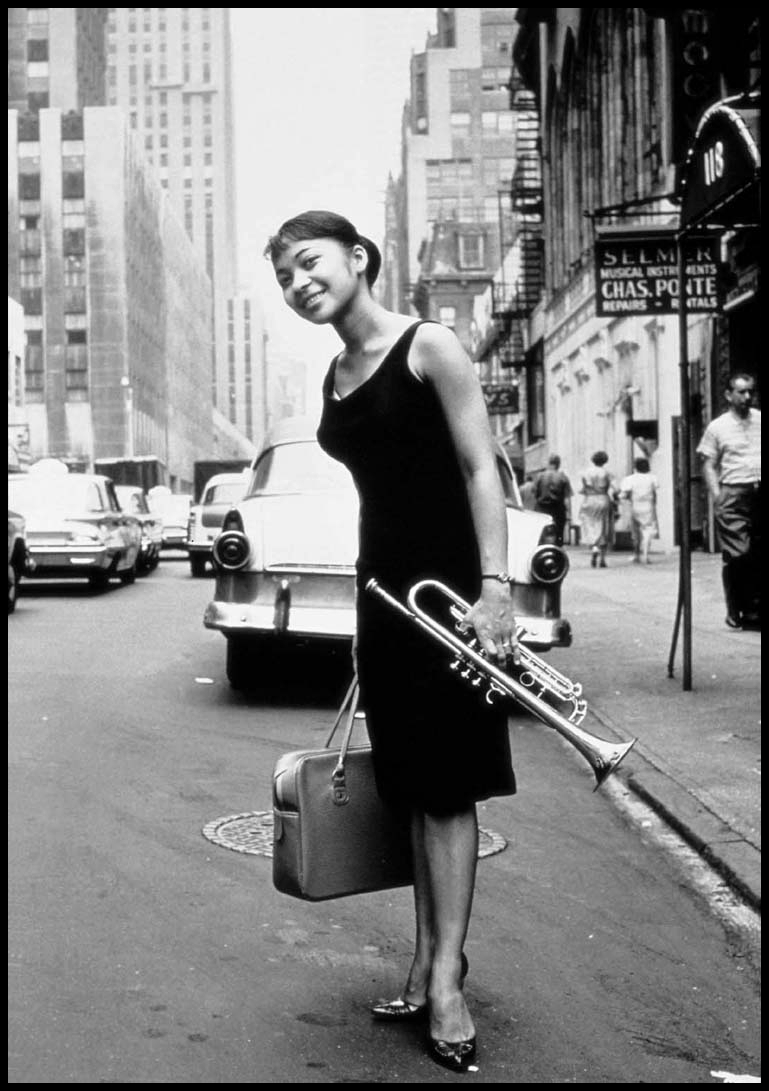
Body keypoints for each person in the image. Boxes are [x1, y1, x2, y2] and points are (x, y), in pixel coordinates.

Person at [266, 210, 518, 1073]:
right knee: (410, 783)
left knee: (446, 787)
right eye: (284, 277)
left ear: (358, 257)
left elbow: (481, 468)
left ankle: (447, 980)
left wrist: (495, 588)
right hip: (381, 594)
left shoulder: (428, 345)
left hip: (448, 590)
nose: (299, 283)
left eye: (309, 263)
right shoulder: (336, 373)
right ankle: (425, 961)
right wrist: (361, 630)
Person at [696, 373, 761, 629]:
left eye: (750, 391)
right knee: (739, 553)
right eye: (741, 392)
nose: (747, 397)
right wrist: (717, 495)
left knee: (757, 553)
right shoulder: (717, 427)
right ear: (728, 395)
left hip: (758, 493)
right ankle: (735, 608)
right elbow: (708, 464)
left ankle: (754, 610)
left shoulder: (760, 420)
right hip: (733, 494)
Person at [578, 450, 617, 568]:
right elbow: (616, 488)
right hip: (603, 498)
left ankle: (594, 547)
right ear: (605, 461)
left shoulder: (585, 473)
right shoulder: (607, 473)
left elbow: (582, 489)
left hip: (589, 499)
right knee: (604, 526)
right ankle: (603, 559)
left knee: (589, 524)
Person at [619, 457, 659, 565]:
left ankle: (636, 554)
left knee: (635, 532)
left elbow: (623, 495)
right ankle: (645, 555)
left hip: (634, 506)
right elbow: (655, 493)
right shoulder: (652, 478)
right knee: (647, 531)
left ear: (636, 467)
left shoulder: (629, 479)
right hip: (648, 506)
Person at [534, 454, 572, 546]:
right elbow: (567, 498)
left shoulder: (540, 476)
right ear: (558, 464)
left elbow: (534, 493)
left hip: (541, 508)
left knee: (541, 534)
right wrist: (569, 514)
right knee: (558, 535)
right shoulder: (563, 477)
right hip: (558, 509)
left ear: (548, 463)